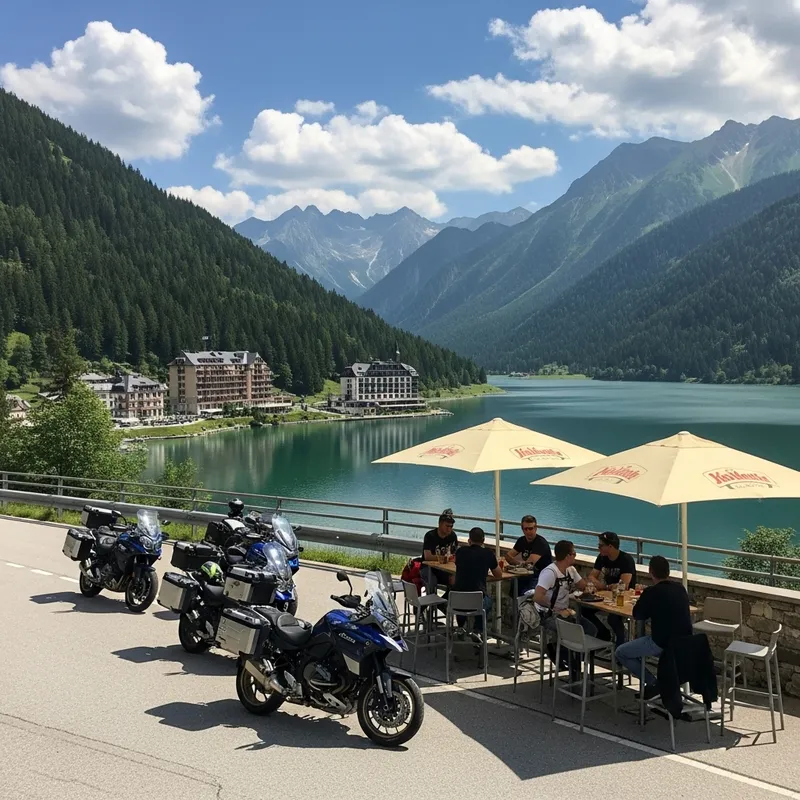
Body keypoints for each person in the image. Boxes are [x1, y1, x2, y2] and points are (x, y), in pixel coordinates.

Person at [615, 555, 693, 699]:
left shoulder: (651, 592)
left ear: (650, 571)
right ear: (668, 572)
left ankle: (653, 683)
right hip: (685, 645)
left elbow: (637, 615)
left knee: (621, 652)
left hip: (661, 643)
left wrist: (643, 599)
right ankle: (659, 685)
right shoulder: (680, 588)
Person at [532, 540, 597, 679]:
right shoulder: (550, 573)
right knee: (573, 633)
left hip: (565, 612)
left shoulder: (570, 570)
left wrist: (588, 586)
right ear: (567, 556)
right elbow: (538, 597)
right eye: (574, 553)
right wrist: (556, 609)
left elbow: (582, 586)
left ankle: (569, 658)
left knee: (591, 629)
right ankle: (569, 662)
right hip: (547, 614)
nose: (575, 556)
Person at [580, 531, 637, 647]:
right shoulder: (601, 558)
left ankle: (620, 647)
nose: (598, 548)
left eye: (601, 546)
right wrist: (604, 586)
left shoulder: (626, 560)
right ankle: (603, 635)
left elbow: (623, 585)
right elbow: (591, 576)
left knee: (613, 619)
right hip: (606, 596)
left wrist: (604, 586)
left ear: (610, 546)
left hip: (623, 600)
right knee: (584, 610)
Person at [454, 526, 502, 643]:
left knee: (464, 594)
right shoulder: (488, 554)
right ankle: (478, 630)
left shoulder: (460, 552)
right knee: (487, 601)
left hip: (456, 601)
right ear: (483, 541)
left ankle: (460, 627)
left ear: (469, 540)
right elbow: (498, 575)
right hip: (477, 601)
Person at [507, 514, 552, 595]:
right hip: (526, 574)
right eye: (526, 529)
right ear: (522, 529)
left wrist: (516, 563)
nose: (528, 531)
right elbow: (508, 556)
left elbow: (529, 564)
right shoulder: (521, 540)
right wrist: (518, 564)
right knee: (514, 584)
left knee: (527, 593)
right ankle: (517, 605)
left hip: (541, 576)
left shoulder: (540, 543)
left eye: (531, 528)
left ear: (536, 528)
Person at [421, 508, 458, 592]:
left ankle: (445, 603)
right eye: (447, 526)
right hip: (427, 567)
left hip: (445, 568)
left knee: (456, 581)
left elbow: (455, 555)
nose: (449, 529)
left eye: (451, 526)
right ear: (440, 524)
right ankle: (430, 603)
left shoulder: (452, 536)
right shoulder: (430, 536)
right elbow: (427, 557)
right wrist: (446, 557)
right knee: (432, 582)